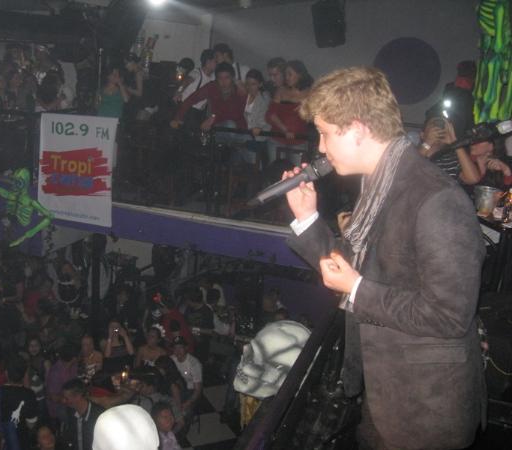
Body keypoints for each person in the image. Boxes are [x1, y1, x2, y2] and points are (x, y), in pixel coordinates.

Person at [284, 66, 485, 449]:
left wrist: (358, 289)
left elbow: (449, 315)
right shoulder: (381, 185)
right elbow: (349, 269)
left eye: (325, 133)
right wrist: (307, 218)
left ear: (358, 130)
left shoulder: (437, 200)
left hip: (426, 413)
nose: (321, 147)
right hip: (386, 396)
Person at [171, 62, 247, 142]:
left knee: (244, 136)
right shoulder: (212, 87)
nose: (223, 81)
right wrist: (177, 118)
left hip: (238, 130)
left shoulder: (239, 90)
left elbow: (236, 113)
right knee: (230, 125)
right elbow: (191, 99)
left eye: (227, 78)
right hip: (218, 128)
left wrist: (214, 118)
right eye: (220, 78)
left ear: (232, 78)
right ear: (216, 79)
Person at [0, 355, 38, 450]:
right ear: (24, 373)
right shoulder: (29, 394)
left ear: (6, 373)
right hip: (21, 443)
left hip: (1, 443)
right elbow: (31, 424)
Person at [266, 60, 313, 164]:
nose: (286, 77)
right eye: (285, 74)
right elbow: (270, 114)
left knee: (297, 172)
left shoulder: (309, 93)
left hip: (299, 140)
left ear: (300, 75)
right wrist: (285, 130)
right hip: (277, 138)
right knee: (276, 170)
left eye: (290, 74)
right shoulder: (281, 91)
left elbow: (312, 117)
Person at [61, 378, 104, 450]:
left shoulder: (98, 416)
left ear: (77, 396)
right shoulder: (70, 412)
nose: (63, 401)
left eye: (66, 398)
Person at [170, 337, 202, 416]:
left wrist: (187, 403)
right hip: (176, 388)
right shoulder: (171, 359)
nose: (178, 351)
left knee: (185, 413)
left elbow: (197, 390)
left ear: (186, 348)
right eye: (175, 348)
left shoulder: (194, 363)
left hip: (190, 390)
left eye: (180, 347)